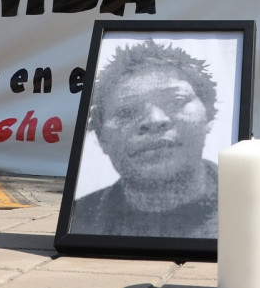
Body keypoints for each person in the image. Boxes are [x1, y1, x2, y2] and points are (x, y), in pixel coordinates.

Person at [73, 40, 219, 238]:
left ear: (208, 115)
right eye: (126, 112)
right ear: (101, 137)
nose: (154, 120)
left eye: (176, 101)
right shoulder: (78, 221)